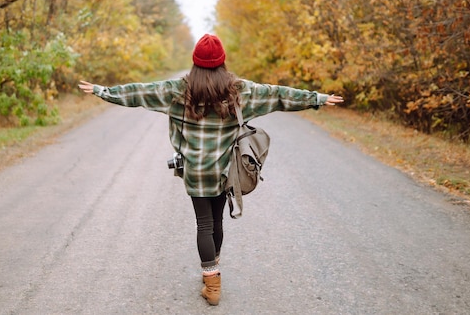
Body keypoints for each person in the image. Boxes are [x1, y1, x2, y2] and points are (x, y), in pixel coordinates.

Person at [78, 33, 343, 306]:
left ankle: (212, 281)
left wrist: (102, 91)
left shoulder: (178, 90)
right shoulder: (239, 91)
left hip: (194, 171)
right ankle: (213, 274)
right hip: (226, 170)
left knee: (203, 224)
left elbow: (139, 93)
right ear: (222, 62)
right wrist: (316, 98)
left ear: (195, 62)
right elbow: (277, 95)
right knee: (217, 222)